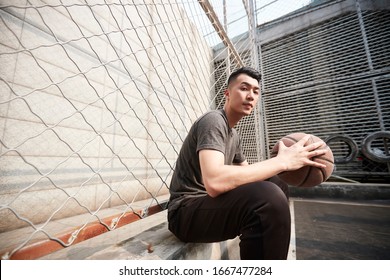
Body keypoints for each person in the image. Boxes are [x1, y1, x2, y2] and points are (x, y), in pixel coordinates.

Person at [167, 67, 327, 260]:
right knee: (268, 198)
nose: (251, 96)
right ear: (227, 93)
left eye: (256, 91)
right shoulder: (213, 120)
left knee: (275, 184)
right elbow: (215, 182)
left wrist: (285, 166)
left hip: (207, 206)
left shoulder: (233, 134)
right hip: (184, 212)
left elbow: (248, 174)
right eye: (244, 88)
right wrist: (281, 162)